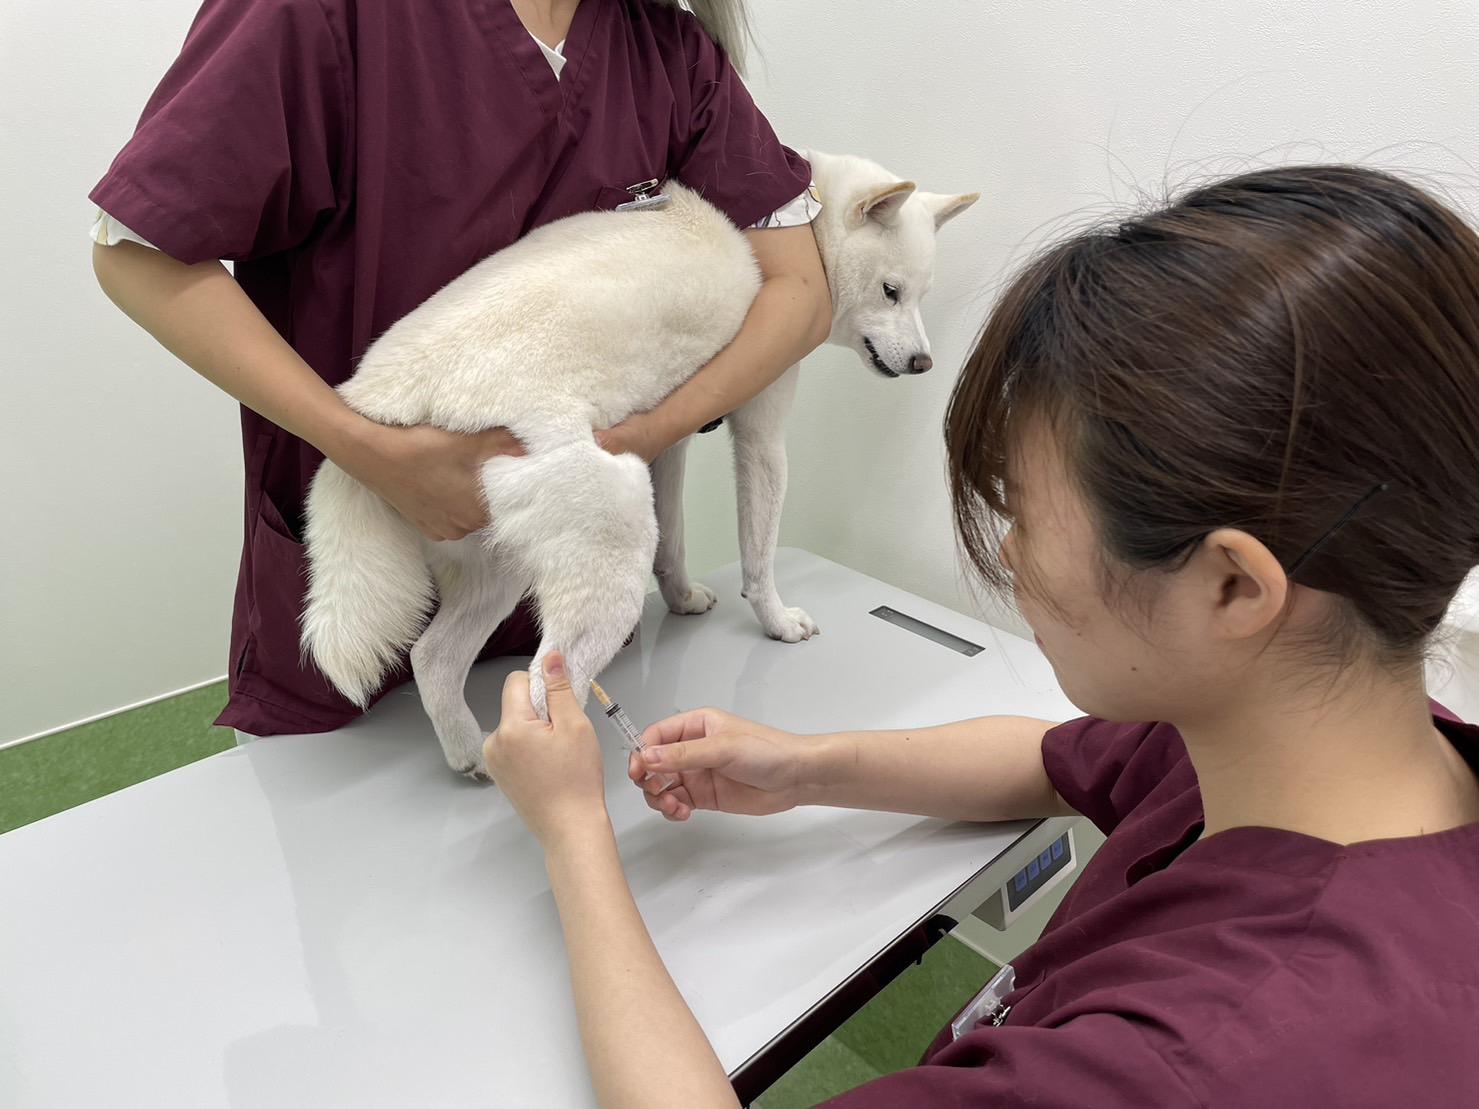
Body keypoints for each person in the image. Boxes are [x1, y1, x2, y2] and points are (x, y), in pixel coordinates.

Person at [484, 164, 1479, 1106]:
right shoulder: (1345, 737)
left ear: (1230, 584)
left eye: (1026, 517)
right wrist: (801, 764)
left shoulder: (1182, 1060)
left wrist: (575, 830)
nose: (1009, 554)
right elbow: (1053, 761)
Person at [89, 0, 830, 737]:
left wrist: (637, 439)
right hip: (365, 562)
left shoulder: (663, 47)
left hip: (560, 591)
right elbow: (136, 253)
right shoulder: (319, 16)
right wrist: (375, 454)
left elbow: (801, 294)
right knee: (347, 817)